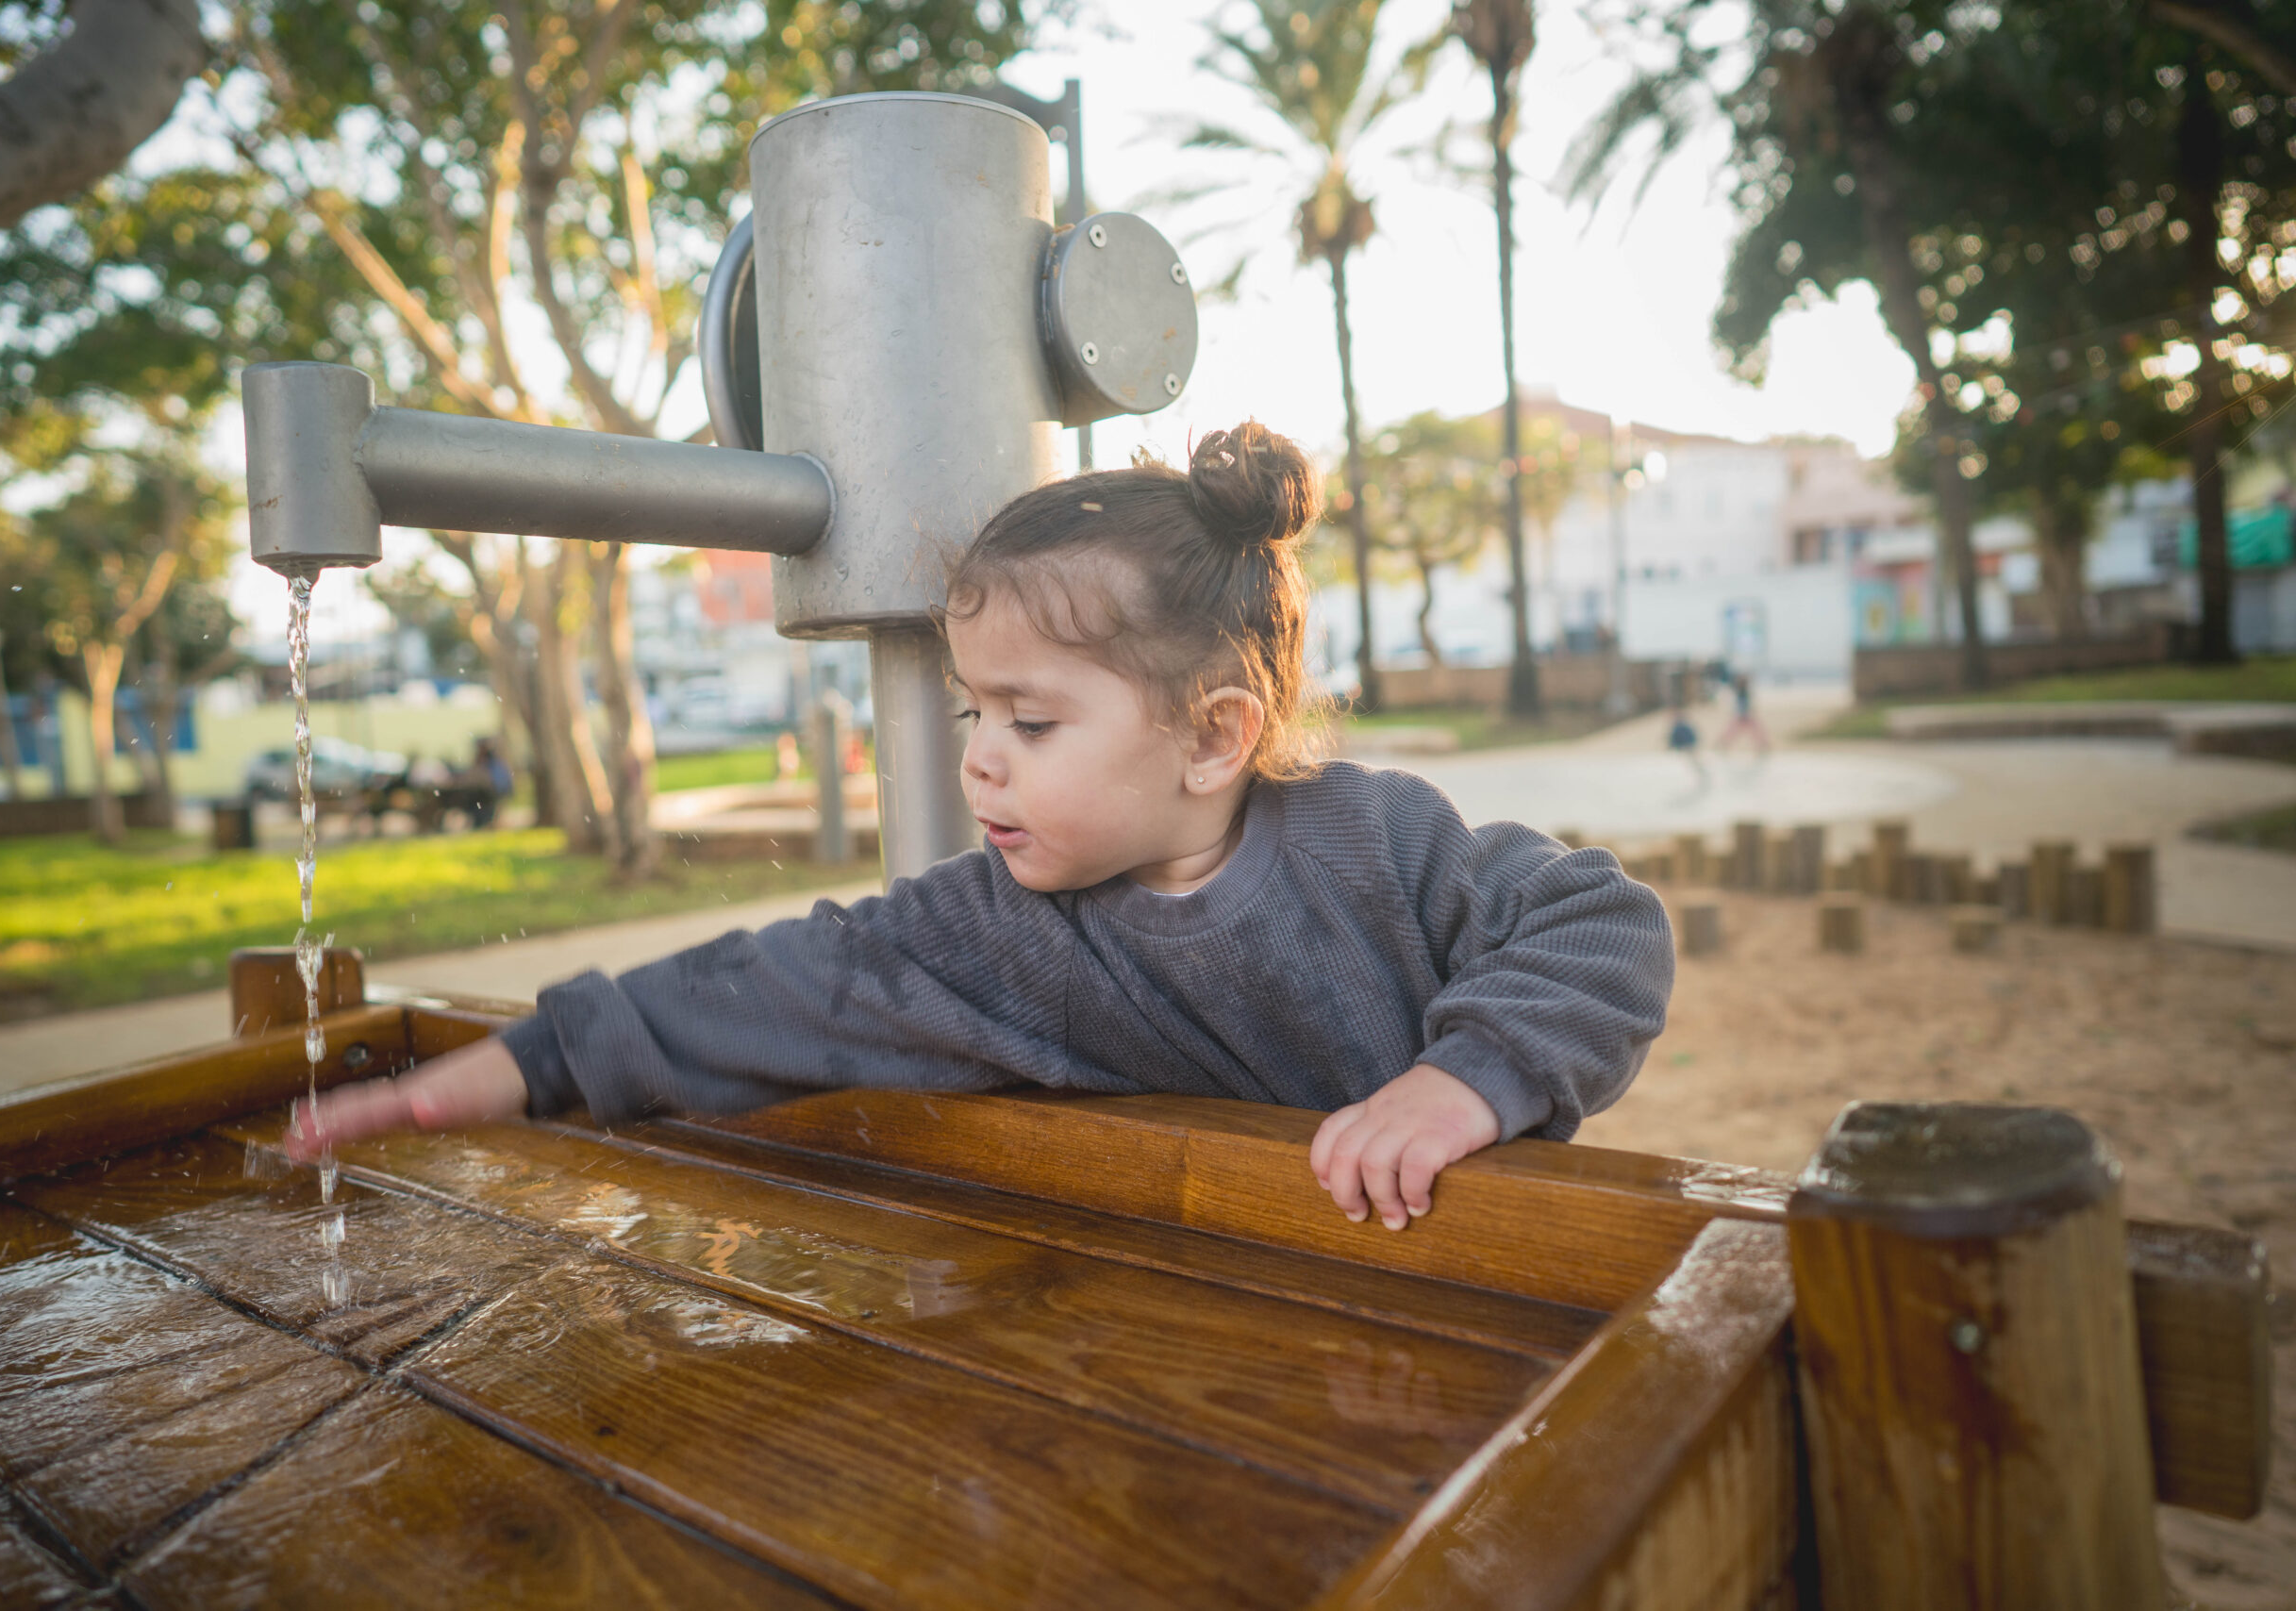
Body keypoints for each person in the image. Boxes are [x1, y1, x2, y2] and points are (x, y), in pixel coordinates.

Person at [286, 424, 1675, 1232]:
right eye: (971, 717)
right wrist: (504, 1071)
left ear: (1212, 737)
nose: (981, 766)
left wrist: (1469, 1081)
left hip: (1499, 1273)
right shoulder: (992, 933)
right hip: (1245, 1306)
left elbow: (1601, 921)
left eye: (1031, 721)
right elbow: (756, 991)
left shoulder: (1380, 844)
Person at [1715, 670, 1771, 759]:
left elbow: (1745, 705)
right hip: (1742, 716)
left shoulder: (1743, 692)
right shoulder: (1741, 692)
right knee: (1735, 731)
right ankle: (1723, 744)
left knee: (1748, 731)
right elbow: (1742, 705)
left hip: (1743, 716)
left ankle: (1762, 745)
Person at [1667, 705, 1707, 788]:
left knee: (1693, 757)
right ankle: (1697, 769)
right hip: (1686, 746)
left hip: (1689, 745)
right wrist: (1674, 745)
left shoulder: (1682, 726)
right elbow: (1674, 739)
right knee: (1691, 758)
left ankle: (1699, 768)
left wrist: (1692, 742)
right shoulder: (1677, 727)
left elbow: (1689, 735)